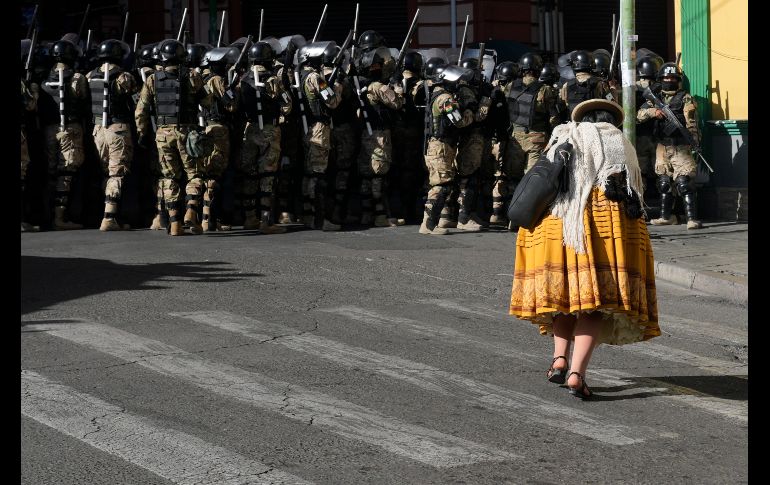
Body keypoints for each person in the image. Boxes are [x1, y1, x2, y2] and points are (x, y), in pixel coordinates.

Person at [509, 99, 660, 400]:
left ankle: (559, 359)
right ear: (612, 121)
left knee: (565, 298)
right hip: (603, 227)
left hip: (555, 225)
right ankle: (577, 374)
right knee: (594, 303)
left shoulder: (563, 134)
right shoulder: (620, 142)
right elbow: (632, 192)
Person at [637, 62, 702, 229]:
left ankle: (691, 219)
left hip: (681, 146)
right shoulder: (655, 97)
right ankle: (666, 217)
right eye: (666, 78)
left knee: (684, 183)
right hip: (662, 147)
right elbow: (639, 115)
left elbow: (692, 124)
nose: (669, 81)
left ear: (678, 80)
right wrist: (654, 112)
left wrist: (694, 142)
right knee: (664, 183)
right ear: (660, 79)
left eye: (673, 78)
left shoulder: (685, 98)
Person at [86, 39, 138, 231]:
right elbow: (137, 98)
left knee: (106, 172)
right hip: (118, 128)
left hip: (98, 130)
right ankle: (110, 217)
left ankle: (111, 212)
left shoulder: (90, 75)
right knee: (117, 173)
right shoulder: (124, 77)